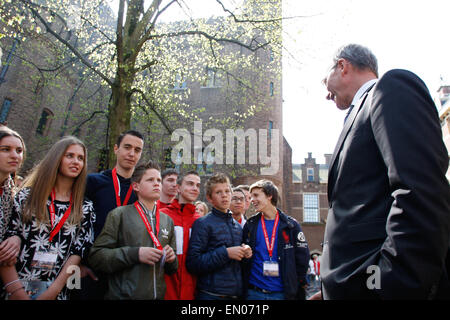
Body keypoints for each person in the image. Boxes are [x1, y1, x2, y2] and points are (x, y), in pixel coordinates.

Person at [313, 44, 450, 300]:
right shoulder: (359, 113)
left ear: (342, 66)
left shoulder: (390, 88)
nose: (327, 95)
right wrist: (334, 288)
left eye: (325, 81)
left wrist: (388, 283)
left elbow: (420, 192)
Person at [0, 136, 95, 300]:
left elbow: (77, 252)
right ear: (57, 158)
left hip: (55, 290)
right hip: (17, 285)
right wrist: (17, 292)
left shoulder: (85, 207)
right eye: (69, 156)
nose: (76, 162)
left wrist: (53, 292)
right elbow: (7, 243)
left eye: (81, 158)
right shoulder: (26, 197)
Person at [88, 160, 178, 300]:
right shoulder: (119, 214)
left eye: (159, 180)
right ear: (136, 186)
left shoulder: (168, 221)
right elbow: (97, 257)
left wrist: (172, 259)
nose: (157, 184)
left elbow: (172, 269)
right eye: (150, 180)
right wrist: (135, 254)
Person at [73, 129, 144, 299]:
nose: (131, 153)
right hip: (90, 271)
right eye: (127, 147)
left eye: (137, 150)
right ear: (116, 149)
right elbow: (75, 225)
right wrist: (78, 265)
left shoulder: (141, 191)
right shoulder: (93, 182)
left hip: (125, 273)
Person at [186, 173, 252, 300]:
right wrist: (226, 253)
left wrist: (246, 254)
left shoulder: (237, 227)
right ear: (210, 198)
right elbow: (193, 263)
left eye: (227, 191)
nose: (224, 195)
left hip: (235, 294)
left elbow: (239, 265)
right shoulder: (202, 224)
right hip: (211, 295)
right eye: (218, 192)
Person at [242, 179, 309, 300]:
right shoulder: (250, 225)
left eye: (256, 195)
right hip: (254, 293)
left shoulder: (291, 225)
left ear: (269, 196)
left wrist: (295, 285)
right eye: (251, 197)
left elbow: (302, 259)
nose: (252, 200)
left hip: (282, 294)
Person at [160, 171, 201, 300]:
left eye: (198, 185)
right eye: (190, 184)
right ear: (178, 188)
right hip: (165, 288)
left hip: (191, 290)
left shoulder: (201, 221)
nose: (195, 188)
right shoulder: (161, 215)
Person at [0, 128, 26, 268]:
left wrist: (16, 237)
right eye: (6, 149)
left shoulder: (14, 197)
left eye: (19, 151)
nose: (15, 155)